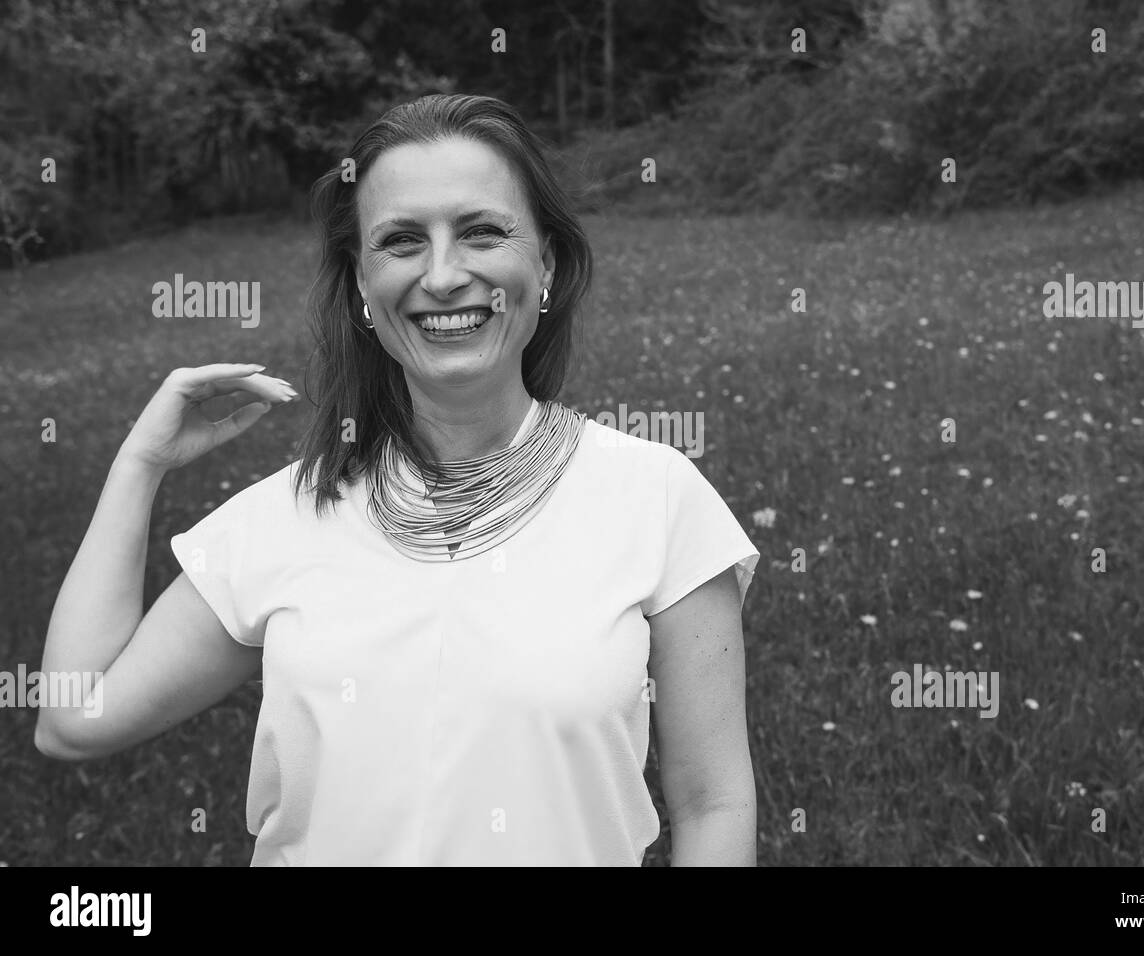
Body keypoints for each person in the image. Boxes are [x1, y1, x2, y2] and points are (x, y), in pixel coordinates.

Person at [35, 93, 760, 866]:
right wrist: (138, 466)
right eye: (403, 241)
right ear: (361, 287)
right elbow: (74, 720)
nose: (443, 275)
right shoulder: (287, 516)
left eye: (481, 231)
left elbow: (712, 802)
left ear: (544, 262)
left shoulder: (656, 498)